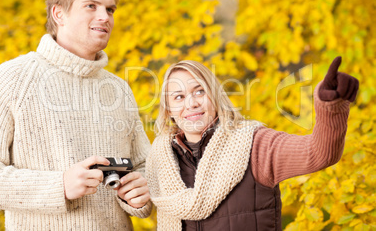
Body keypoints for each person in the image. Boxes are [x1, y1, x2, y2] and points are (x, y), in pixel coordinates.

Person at [0, 0, 152, 230]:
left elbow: (145, 167)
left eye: (110, 9)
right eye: (91, 6)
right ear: (59, 14)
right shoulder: (11, 79)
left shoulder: (119, 89)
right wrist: (58, 187)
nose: (105, 16)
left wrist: (141, 194)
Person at [146, 57, 359, 230]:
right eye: (179, 97)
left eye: (199, 91)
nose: (191, 103)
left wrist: (330, 105)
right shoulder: (161, 160)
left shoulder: (253, 142)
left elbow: (318, 153)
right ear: (169, 111)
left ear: (215, 96)